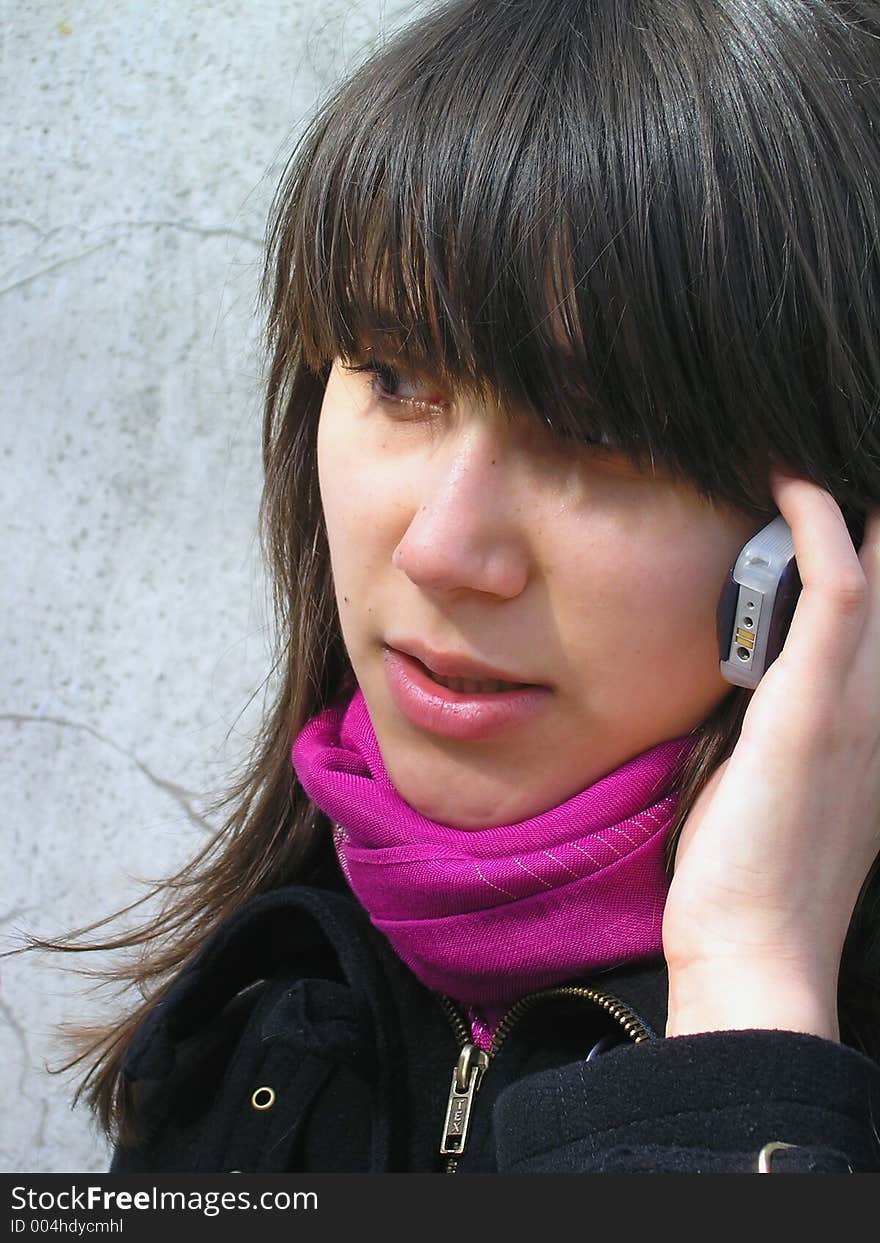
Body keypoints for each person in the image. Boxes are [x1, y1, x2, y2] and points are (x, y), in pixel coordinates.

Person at [42, 0, 880, 1173]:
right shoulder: (272, 991)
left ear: (830, 547)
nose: (440, 549)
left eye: (601, 428)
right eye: (395, 375)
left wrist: (750, 1014)